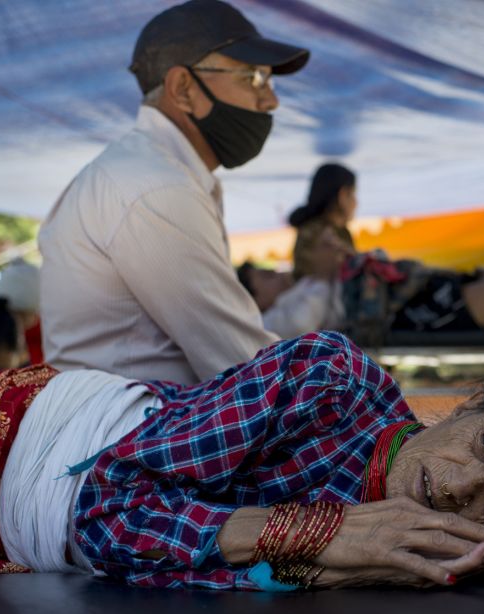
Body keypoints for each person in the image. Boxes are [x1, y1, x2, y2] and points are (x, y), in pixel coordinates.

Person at [0, 331, 484, 590]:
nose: (457, 488)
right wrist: (315, 533)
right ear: (466, 403)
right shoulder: (329, 383)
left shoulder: (423, 553)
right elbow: (104, 510)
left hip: (11, 541)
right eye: (483, 447)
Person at [37, 0, 310, 384]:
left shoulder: (155, 173)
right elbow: (244, 366)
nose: (271, 100)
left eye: (269, 80)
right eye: (252, 78)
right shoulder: (155, 187)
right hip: (132, 436)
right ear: (182, 88)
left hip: (133, 425)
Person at [238, 258, 484, 340]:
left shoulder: (298, 289)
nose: (277, 275)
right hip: (410, 312)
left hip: (409, 296)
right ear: (254, 298)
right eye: (265, 279)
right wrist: (326, 274)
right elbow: (300, 323)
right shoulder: (270, 321)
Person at [289, 163, 358, 280]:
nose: (356, 203)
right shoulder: (318, 234)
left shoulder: (336, 231)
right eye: (352, 194)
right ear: (342, 195)